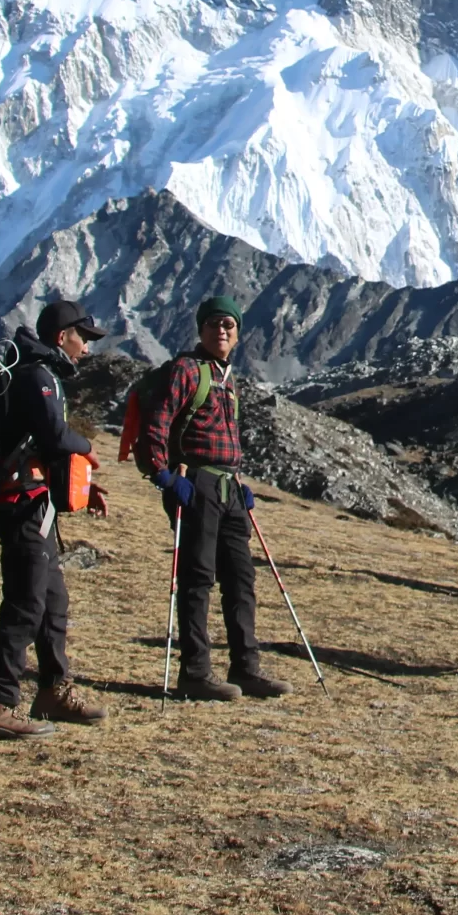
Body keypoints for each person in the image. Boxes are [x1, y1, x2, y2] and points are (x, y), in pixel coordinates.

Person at [135, 296, 288, 701]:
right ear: (201, 330)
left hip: (229, 487)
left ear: (237, 335)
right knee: (197, 578)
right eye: (214, 324)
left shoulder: (228, 378)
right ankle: (196, 672)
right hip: (196, 483)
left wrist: (240, 481)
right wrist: (165, 477)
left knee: (241, 578)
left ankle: (246, 667)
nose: (221, 331)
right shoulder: (187, 370)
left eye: (229, 325)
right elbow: (158, 420)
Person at [0, 297, 111, 740]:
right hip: (21, 503)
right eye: (82, 338)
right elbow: (53, 437)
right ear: (61, 336)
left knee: (52, 601)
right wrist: (86, 447)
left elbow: (42, 445)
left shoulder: (37, 372)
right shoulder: (38, 375)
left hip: (36, 501)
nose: (86, 349)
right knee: (26, 602)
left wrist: (83, 486)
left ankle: (52, 689)